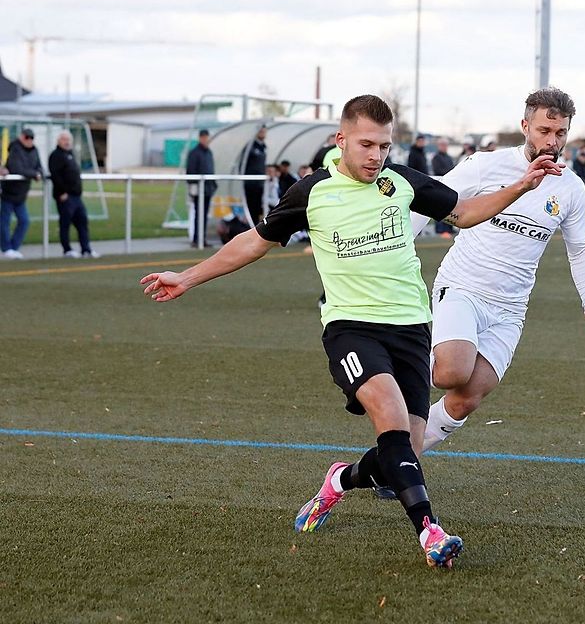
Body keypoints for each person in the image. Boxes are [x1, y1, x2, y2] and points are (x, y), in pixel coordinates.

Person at [140, 94, 562, 568]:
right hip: (351, 329)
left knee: (403, 451)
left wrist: (521, 187)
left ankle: (339, 481)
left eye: (384, 146)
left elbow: (464, 213)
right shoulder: (312, 192)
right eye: (366, 145)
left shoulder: (401, 181)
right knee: (388, 413)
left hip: (411, 330)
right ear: (341, 140)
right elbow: (253, 243)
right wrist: (188, 276)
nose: (376, 156)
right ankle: (430, 531)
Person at [407, 87, 585, 461]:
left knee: (468, 396)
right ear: (525, 126)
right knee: (451, 374)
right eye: (543, 131)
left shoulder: (571, 189)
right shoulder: (487, 166)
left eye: (560, 133)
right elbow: (429, 200)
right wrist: (395, 253)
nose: (552, 141)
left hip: (509, 309)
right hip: (463, 288)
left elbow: (580, 249)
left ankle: (399, 459)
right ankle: (390, 366)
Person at [48, 131, 98, 258]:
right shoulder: (56, 155)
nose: (67, 141)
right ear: (59, 140)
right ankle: (67, 249)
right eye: (64, 139)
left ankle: (86, 249)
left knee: (82, 221)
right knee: (65, 223)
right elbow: (56, 175)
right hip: (66, 196)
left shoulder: (70, 154)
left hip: (76, 196)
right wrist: (62, 192)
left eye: (68, 139)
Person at [1, 128, 43, 259]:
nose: (29, 140)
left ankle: (13, 247)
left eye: (31, 138)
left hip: (21, 194)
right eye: (27, 137)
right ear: (21, 137)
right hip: (9, 192)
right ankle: (7, 248)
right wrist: (34, 174)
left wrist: (38, 173)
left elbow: (39, 167)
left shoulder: (34, 151)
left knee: (24, 221)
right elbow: (16, 168)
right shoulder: (15, 149)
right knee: (4, 221)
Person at [186, 129, 218, 248]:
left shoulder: (208, 152)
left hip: (208, 189)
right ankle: (197, 239)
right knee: (199, 215)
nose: (206, 140)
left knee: (204, 215)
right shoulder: (194, 153)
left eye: (207, 137)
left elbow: (211, 169)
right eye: (204, 137)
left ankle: (202, 238)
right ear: (200, 138)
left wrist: (213, 184)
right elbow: (191, 172)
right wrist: (194, 187)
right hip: (199, 190)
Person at [431, 137, 456, 237]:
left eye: (446, 145)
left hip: (449, 187)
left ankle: (448, 228)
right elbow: (438, 170)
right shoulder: (436, 157)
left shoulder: (449, 158)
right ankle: (440, 229)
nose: (444, 147)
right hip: (440, 186)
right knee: (439, 207)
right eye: (442, 145)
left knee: (450, 207)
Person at [243, 126, 268, 225]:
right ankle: (251, 227)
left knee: (258, 207)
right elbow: (243, 164)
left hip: (260, 183)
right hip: (251, 183)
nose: (263, 133)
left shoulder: (263, 147)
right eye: (261, 131)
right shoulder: (251, 146)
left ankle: (256, 227)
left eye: (264, 131)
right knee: (251, 206)